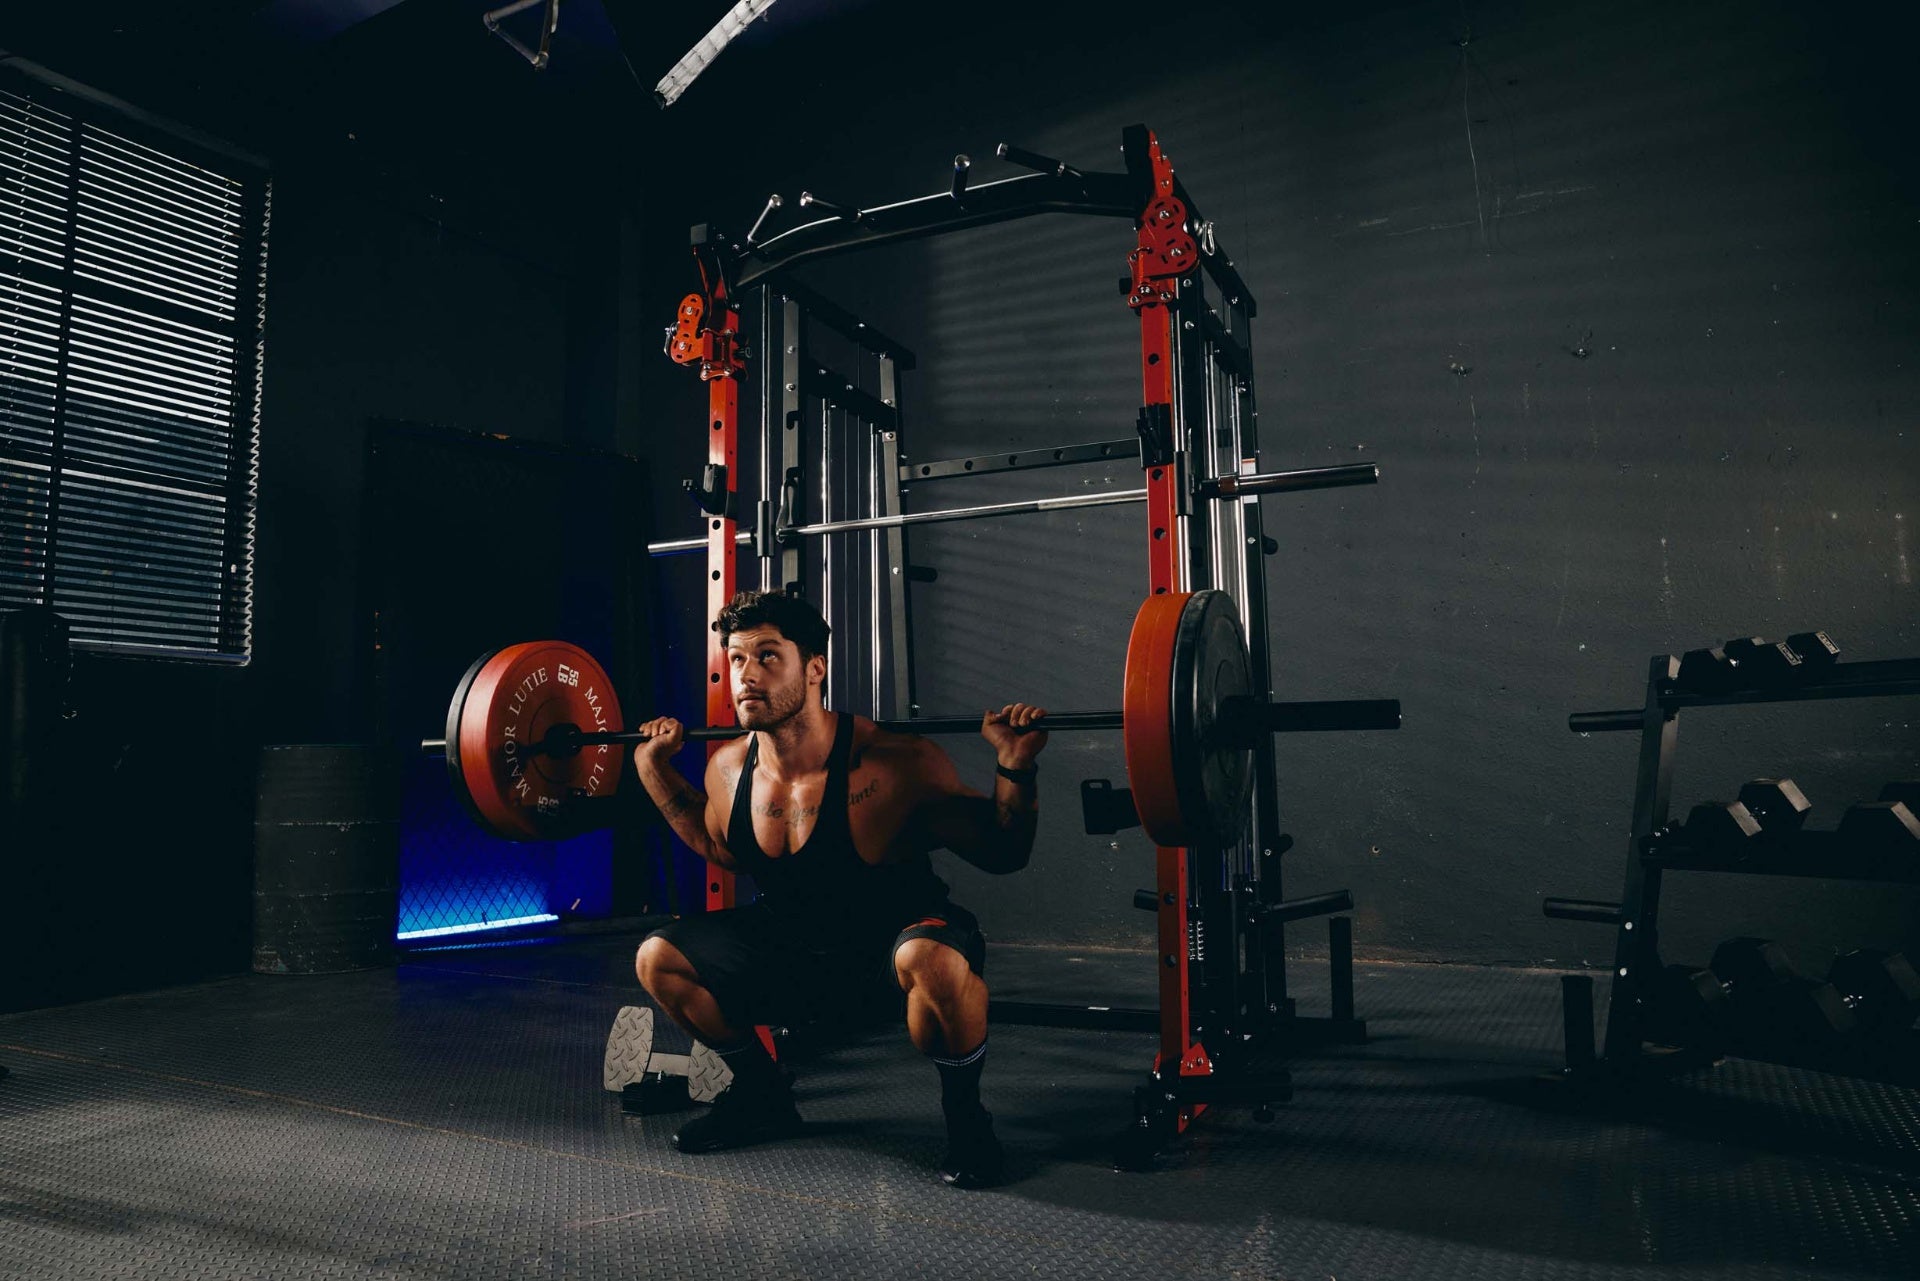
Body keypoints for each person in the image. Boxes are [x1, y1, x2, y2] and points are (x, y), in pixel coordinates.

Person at [631, 589, 1047, 1189]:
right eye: (737, 660)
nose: (746, 676)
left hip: (892, 950)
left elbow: (1006, 854)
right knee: (659, 958)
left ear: (815, 668)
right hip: (795, 952)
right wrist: (652, 770)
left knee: (927, 957)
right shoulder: (726, 767)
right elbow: (722, 849)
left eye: (769, 657)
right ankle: (760, 1095)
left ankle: (966, 1118)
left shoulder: (894, 764)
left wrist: (1014, 765)